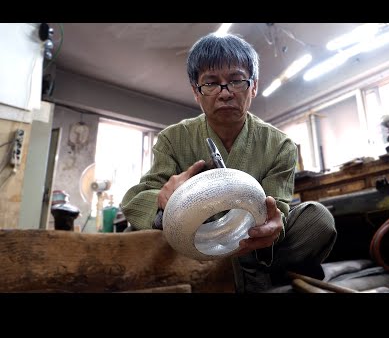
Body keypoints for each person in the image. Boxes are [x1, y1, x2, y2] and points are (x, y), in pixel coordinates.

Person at [120, 32, 337, 292]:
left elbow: (277, 207)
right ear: (196, 93)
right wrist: (163, 201)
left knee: (318, 219)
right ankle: (244, 276)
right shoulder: (173, 139)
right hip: (193, 245)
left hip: (252, 248)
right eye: (210, 83)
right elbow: (135, 200)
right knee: (132, 233)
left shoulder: (280, 145)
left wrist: (273, 225)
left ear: (253, 86)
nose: (224, 94)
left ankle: (239, 273)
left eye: (236, 81)